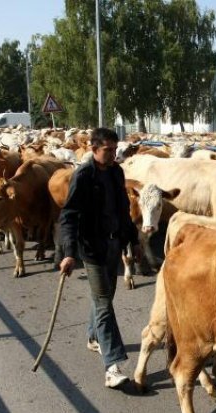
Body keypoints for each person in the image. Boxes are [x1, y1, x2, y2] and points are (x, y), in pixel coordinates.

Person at [58, 127, 141, 389]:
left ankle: (93, 337)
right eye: (108, 150)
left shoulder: (116, 172)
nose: (113, 154)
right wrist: (69, 253)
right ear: (93, 149)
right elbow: (69, 215)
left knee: (104, 297)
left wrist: (132, 241)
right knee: (105, 303)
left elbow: (123, 210)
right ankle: (112, 367)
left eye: (115, 149)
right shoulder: (83, 175)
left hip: (114, 245)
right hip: (92, 249)